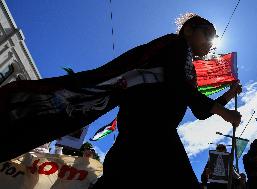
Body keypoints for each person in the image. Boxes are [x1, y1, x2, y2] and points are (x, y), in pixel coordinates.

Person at [92, 13, 242, 188]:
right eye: (207, 33)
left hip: (150, 131)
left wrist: (229, 96)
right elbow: (177, 82)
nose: (211, 41)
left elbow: (199, 111)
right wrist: (224, 112)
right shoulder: (176, 44)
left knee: (118, 177)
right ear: (188, 30)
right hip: (149, 123)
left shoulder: (190, 68)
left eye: (213, 37)